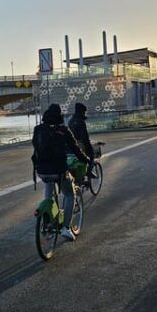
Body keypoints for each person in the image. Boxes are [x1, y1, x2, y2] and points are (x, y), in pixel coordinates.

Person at [32, 103, 90, 241]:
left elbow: (35, 147)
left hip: (41, 171)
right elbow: (75, 148)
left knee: (49, 189)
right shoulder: (63, 130)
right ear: (59, 116)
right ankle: (66, 228)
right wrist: (86, 159)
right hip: (59, 170)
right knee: (70, 194)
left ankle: (48, 220)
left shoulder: (38, 129)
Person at [68, 103, 95, 180]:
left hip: (70, 146)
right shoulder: (81, 122)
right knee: (91, 154)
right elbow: (84, 137)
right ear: (82, 111)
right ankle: (89, 171)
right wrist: (88, 145)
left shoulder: (70, 120)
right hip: (80, 144)